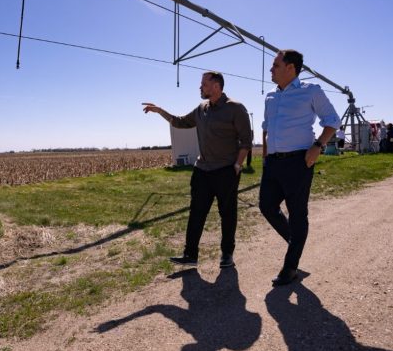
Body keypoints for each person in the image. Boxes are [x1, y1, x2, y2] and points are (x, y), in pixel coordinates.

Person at [142, 72, 252, 269]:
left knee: (227, 214)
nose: (200, 87)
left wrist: (238, 165)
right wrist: (160, 111)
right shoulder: (202, 109)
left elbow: (246, 140)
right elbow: (180, 121)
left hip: (226, 170)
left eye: (203, 84)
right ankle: (190, 254)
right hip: (202, 170)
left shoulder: (235, 108)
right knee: (196, 213)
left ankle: (227, 254)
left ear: (216, 86)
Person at [259, 49, 340, 286]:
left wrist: (318, 146)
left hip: (298, 162)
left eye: (275, 65)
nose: (271, 70)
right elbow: (266, 129)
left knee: (297, 214)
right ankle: (296, 244)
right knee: (266, 206)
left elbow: (332, 120)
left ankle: (290, 266)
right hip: (273, 163)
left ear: (290, 68)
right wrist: (265, 156)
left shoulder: (310, 91)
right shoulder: (271, 97)